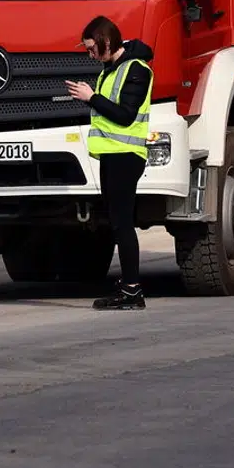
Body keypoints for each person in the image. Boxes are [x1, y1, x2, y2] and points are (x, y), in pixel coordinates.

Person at [66, 16, 155, 311]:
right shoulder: (111, 69)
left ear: (106, 41)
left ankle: (132, 290)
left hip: (126, 157)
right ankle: (129, 286)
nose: (91, 54)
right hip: (112, 154)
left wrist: (91, 97)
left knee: (123, 224)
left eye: (92, 48)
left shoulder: (136, 70)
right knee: (118, 223)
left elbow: (126, 115)